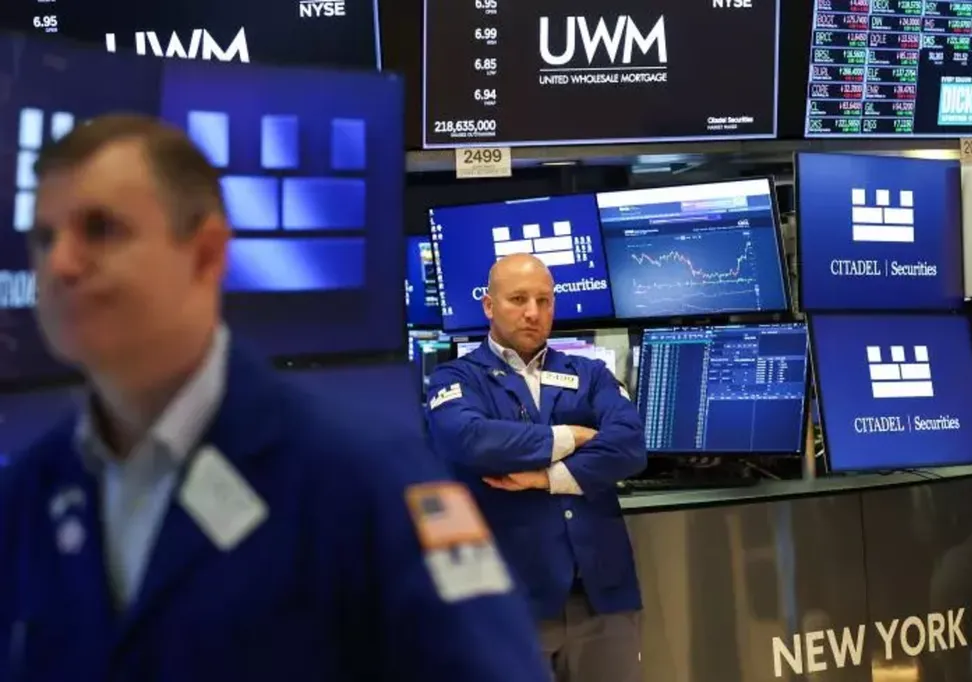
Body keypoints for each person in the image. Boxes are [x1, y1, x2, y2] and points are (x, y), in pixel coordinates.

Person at [0, 114, 552, 682]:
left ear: (206, 253)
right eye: (44, 238)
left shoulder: (365, 479)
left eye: (100, 229)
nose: (60, 263)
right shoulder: (26, 498)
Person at [425, 253, 648, 682]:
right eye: (519, 299)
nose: (533, 312)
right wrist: (570, 436)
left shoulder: (590, 374)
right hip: (511, 602)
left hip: (603, 596)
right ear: (489, 305)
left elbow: (630, 445)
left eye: (544, 301)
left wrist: (546, 478)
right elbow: (471, 440)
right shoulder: (456, 378)